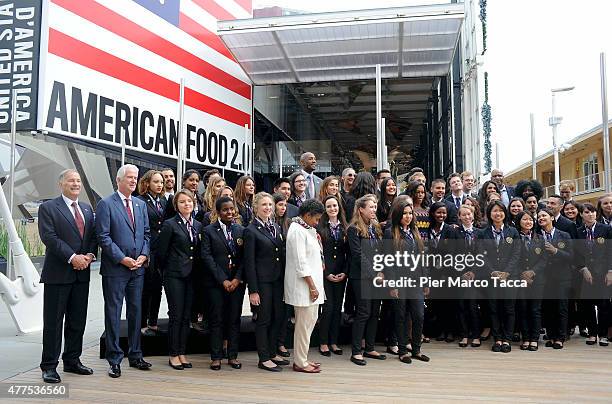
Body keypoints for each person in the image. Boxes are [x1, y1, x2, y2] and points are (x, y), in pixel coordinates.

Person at [38, 169, 97, 384]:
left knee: (77, 321)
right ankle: (49, 367)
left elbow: (92, 236)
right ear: (61, 184)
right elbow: (49, 238)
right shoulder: (48, 208)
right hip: (58, 274)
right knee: (53, 323)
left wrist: (89, 255)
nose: (76, 184)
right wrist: (73, 257)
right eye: (71, 180)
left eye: (78, 180)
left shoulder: (87, 208)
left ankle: (72, 360)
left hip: (82, 275)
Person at [96, 164, 151, 378]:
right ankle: (114, 359)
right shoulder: (105, 204)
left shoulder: (139, 204)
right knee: (113, 314)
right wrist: (123, 259)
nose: (133, 181)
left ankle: (136, 355)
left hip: (138, 269)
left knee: (136, 313)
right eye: (129, 177)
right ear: (118, 180)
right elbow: (103, 237)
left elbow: (146, 234)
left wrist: (144, 256)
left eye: (135, 177)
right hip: (116, 270)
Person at [157, 189, 201, 370]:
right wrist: (168, 271)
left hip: (192, 276)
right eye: (182, 202)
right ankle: (173, 354)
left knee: (186, 316)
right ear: (176, 205)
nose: (186, 204)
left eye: (189, 201)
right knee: (176, 315)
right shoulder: (170, 224)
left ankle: (182, 352)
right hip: (174, 275)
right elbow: (161, 253)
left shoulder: (197, 225)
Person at [201, 197, 246, 370]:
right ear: (218, 212)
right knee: (216, 319)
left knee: (234, 319)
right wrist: (223, 279)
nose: (229, 212)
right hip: (216, 284)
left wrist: (236, 279)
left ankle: (233, 356)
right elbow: (207, 257)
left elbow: (244, 258)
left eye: (232, 209)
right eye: (225, 209)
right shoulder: (208, 231)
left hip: (236, 283)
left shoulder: (241, 230)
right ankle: (216, 356)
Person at [244, 192, 287, 371]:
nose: (268, 208)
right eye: (264, 205)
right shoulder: (250, 230)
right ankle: (263, 358)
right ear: (256, 208)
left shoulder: (276, 227)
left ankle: (271, 352)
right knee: (264, 319)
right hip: (262, 282)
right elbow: (249, 262)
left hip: (277, 280)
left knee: (278, 317)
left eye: (270, 204)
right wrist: (253, 290)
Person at [385, 199, 430, 363]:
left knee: (418, 315)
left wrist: (426, 282)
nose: (408, 216)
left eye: (410, 213)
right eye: (405, 213)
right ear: (398, 214)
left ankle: (416, 349)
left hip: (416, 281)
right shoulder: (391, 232)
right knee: (401, 316)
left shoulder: (415, 232)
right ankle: (402, 350)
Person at [284, 199, 326, 373]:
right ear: (307, 215)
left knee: (309, 323)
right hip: (304, 287)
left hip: (313, 285)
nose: (317, 222)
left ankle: (303, 357)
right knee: (303, 325)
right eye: (316, 218)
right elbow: (301, 263)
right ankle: (300, 362)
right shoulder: (296, 231)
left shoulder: (308, 228)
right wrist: (312, 287)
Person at [476, 201, 520, 353]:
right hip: (491, 276)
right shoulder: (483, 233)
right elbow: (481, 254)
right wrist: (492, 272)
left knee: (509, 308)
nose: (498, 214)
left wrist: (507, 272)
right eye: (494, 211)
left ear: (505, 213)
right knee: (494, 308)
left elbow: (516, 254)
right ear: (489, 214)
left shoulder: (513, 232)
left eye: (501, 211)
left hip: (510, 276)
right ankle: (498, 338)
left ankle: (507, 339)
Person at [347, 194, 385, 366]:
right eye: (371, 206)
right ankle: (356, 351)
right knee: (363, 312)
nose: (374, 210)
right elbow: (358, 255)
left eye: (375, 206)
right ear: (361, 209)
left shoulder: (375, 227)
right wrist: (373, 273)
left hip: (378, 276)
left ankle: (369, 347)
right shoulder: (354, 229)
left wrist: (382, 271)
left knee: (375, 312)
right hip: (361, 276)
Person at [576, 203, 612, 346]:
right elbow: (576, 253)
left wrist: (610, 271)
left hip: (604, 272)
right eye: (586, 212)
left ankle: (603, 334)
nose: (590, 214)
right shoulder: (578, 231)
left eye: (593, 212)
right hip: (586, 273)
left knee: (604, 304)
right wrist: (583, 268)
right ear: (581, 215)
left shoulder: (606, 229)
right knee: (588, 304)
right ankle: (592, 333)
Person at [318, 195, 349, 357]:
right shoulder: (320, 228)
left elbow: (347, 253)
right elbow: (318, 254)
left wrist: (345, 271)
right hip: (326, 273)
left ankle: (334, 342)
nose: (332, 209)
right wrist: (326, 273)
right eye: (329, 206)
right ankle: (323, 342)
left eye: (334, 206)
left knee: (338, 309)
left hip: (341, 273)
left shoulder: (345, 227)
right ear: (325, 209)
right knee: (328, 308)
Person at [136, 170, 166, 338]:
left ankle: (153, 322)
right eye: (156, 181)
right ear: (147, 183)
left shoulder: (162, 201)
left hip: (160, 250)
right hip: (148, 250)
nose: (160, 184)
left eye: (161, 182)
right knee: (146, 289)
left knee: (157, 288)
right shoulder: (140, 201)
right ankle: (141, 324)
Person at [537, 207, 573, 349]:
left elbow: (571, 256)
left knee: (561, 307)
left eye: (544, 215)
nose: (541, 218)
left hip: (562, 277)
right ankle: (551, 336)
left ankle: (560, 337)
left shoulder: (564, 235)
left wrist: (556, 251)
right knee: (548, 308)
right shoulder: (536, 236)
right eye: (539, 217)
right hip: (544, 278)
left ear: (552, 217)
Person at [515, 211, 546, 351]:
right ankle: (525, 337)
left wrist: (532, 272)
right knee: (522, 309)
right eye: (525, 219)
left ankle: (534, 339)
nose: (528, 222)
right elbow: (511, 258)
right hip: (519, 278)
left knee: (535, 309)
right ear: (519, 221)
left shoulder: (540, 238)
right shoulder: (513, 237)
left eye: (530, 220)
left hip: (536, 279)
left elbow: (544, 260)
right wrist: (522, 274)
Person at [454, 205, 482, 348]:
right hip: (460, 275)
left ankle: (476, 335)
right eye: (463, 215)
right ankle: (464, 335)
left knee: (473, 306)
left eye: (469, 214)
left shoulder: (480, 233)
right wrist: (462, 273)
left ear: (473, 215)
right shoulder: (455, 233)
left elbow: (483, 255)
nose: (466, 217)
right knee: (461, 305)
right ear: (459, 217)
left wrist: (474, 272)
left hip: (476, 275)